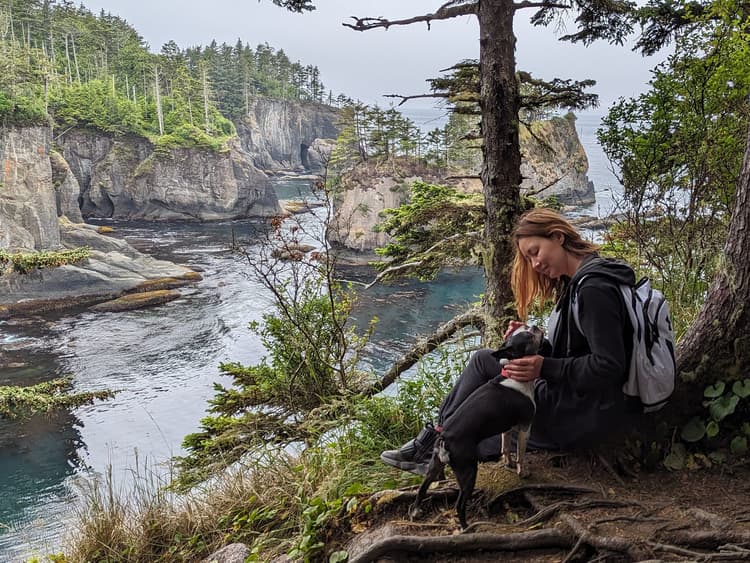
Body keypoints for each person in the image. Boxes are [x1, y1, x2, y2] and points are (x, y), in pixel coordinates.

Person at [380, 208, 636, 475]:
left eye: (535, 252)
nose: (535, 265)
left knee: (478, 411)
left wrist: (543, 367)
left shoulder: (592, 290)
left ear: (558, 237)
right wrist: (533, 342)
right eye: (529, 258)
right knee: (484, 361)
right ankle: (436, 441)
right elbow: (576, 350)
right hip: (579, 399)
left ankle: (436, 447)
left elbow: (609, 366)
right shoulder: (581, 280)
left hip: (583, 414)